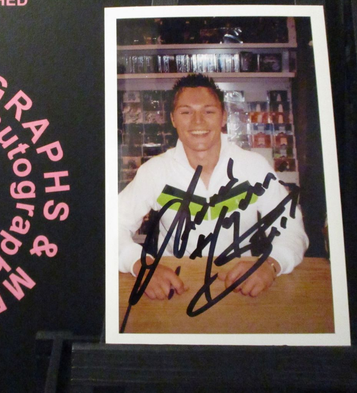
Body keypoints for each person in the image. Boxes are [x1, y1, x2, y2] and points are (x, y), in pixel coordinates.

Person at [118, 74, 308, 300]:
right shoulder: (155, 171)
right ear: (173, 119)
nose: (198, 122)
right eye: (186, 112)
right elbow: (112, 226)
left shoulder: (253, 167)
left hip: (242, 288)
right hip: (174, 288)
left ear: (223, 117)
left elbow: (290, 227)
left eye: (208, 111)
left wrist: (271, 265)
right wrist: (141, 265)